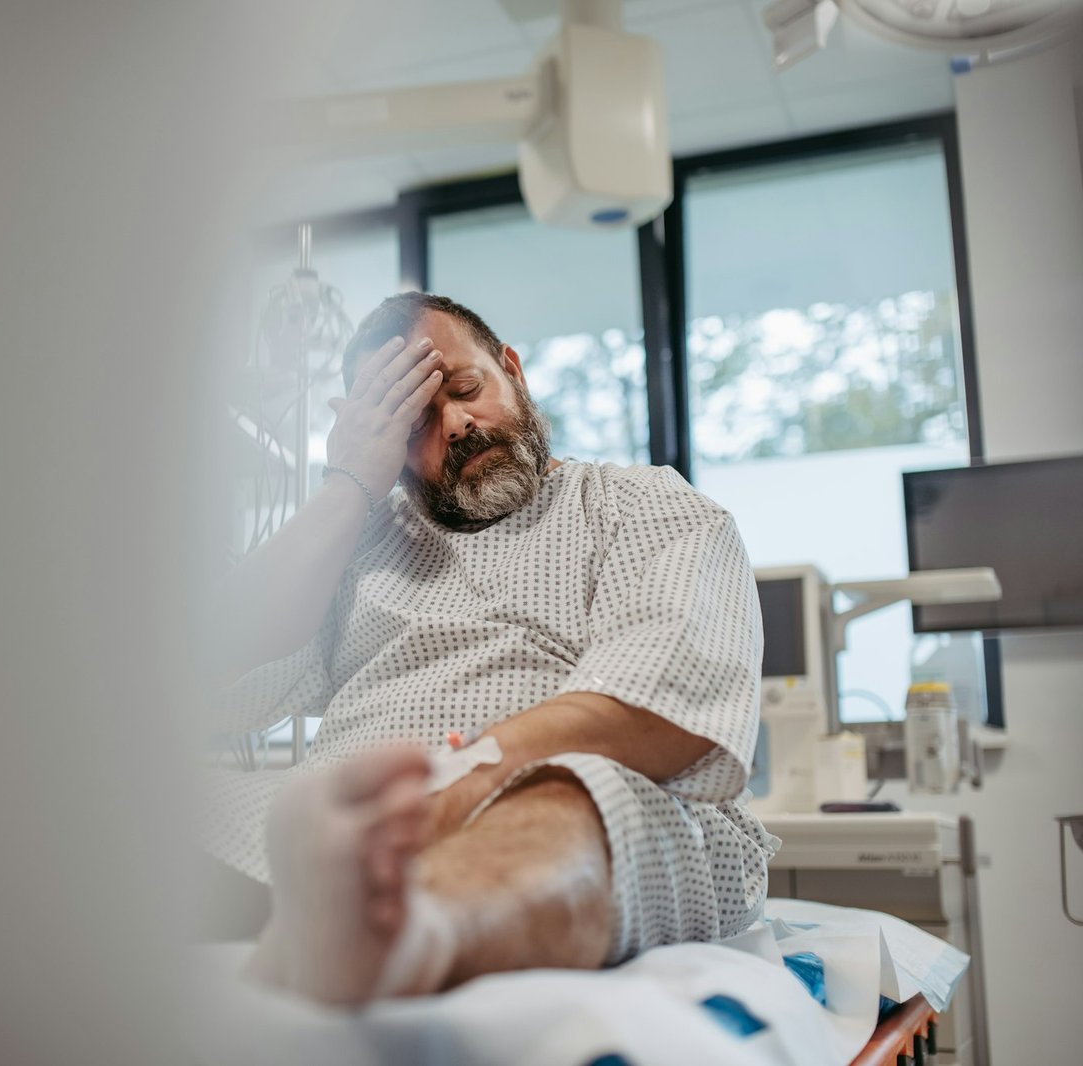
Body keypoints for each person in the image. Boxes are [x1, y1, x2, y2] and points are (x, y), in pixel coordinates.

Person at [206, 292, 778, 1007]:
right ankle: (333, 925)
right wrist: (346, 486)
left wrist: (449, 788)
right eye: (412, 421)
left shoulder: (643, 506)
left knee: (578, 802)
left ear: (513, 370)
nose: (456, 424)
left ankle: (405, 940)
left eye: (466, 389)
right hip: (343, 836)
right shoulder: (359, 549)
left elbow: (654, 711)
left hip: (569, 803)